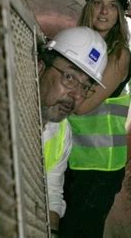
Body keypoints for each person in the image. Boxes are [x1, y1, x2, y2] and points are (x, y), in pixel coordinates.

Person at [60, 0, 131, 237]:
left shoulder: (119, 54)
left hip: (100, 168)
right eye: (98, 3)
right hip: (74, 160)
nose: (104, 11)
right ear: (88, 7)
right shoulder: (82, 44)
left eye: (113, 5)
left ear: (120, 15)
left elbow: (82, 106)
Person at [38, 26, 108, 237]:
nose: (76, 95)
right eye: (69, 77)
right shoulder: (2, 105)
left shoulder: (62, 133)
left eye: (86, 87)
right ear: (41, 68)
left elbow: (52, 192)